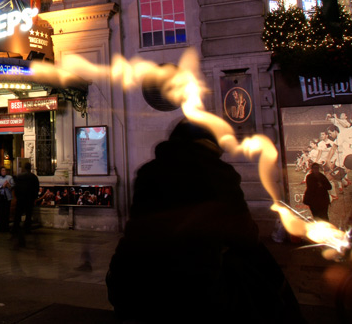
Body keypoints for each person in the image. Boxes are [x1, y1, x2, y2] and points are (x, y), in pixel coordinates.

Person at [106, 119, 303, 323]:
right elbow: (246, 236)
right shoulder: (218, 174)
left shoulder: (149, 172)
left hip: (131, 281)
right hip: (194, 289)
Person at [12, 162, 39, 240]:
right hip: (29, 198)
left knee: (18, 214)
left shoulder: (19, 176)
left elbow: (16, 187)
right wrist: (34, 198)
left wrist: (17, 196)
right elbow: (36, 188)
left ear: (24, 168)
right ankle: (27, 228)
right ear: (30, 168)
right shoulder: (34, 177)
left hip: (21, 198)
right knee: (28, 214)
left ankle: (15, 227)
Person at [0, 167, 14, 232]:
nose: (4, 171)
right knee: (1, 212)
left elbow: (13, 186)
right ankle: (1, 227)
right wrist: (2, 186)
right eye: (2, 170)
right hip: (1, 197)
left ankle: (6, 227)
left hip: (8, 197)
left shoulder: (9, 177)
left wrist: (9, 185)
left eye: (5, 170)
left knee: (7, 212)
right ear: (0, 171)